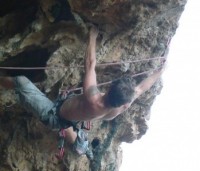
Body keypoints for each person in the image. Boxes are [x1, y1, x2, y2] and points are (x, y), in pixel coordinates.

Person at [0, 27, 164, 156]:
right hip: (68, 119)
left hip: (51, 114)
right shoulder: (118, 108)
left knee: (21, 81)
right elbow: (141, 88)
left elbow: (90, 64)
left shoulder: (93, 97)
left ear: (109, 88)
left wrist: (92, 36)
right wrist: (160, 71)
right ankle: (80, 145)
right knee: (70, 126)